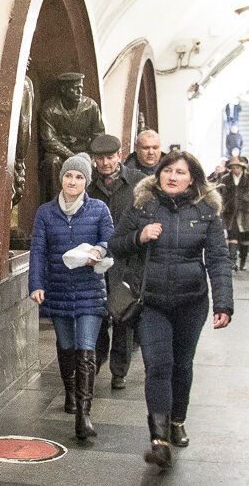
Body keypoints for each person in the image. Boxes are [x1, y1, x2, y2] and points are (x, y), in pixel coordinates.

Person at [108, 151, 233, 469]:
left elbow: (218, 259)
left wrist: (223, 303)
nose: (173, 176)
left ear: (192, 178)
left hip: (191, 302)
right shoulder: (142, 204)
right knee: (159, 367)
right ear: (159, 174)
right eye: (168, 170)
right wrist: (140, 236)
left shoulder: (207, 210)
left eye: (180, 172)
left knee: (182, 366)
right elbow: (116, 244)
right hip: (151, 302)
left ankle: (178, 420)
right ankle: (159, 440)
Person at [28, 153, 114, 440]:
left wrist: (99, 251)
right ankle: (70, 391)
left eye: (79, 177)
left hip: (90, 288)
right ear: (61, 178)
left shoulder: (99, 209)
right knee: (66, 346)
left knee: (86, 347)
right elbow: (38, 251)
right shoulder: (45, 212)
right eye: (68, 176)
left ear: (86, 181)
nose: (73, 181)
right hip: (59, 288)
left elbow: (110, 241)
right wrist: (36, 285)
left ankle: (84, 414)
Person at [88, 134, 145, 390]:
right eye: (100, 158)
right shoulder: (88, 185)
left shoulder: (138, 182)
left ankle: (119, 370)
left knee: (123, 315)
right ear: (93, 160)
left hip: (127, 259)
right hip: (97, 261)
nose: (106, 163)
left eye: (110, 157)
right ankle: (99, 358)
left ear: (119, 156)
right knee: (100, 313)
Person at [38, 73, 105, 194]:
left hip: (84, 152)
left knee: (94, 165)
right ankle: (57, 202)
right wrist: (72, 157)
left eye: (81, 87)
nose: (79, 91)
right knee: (52, 162)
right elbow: (49, 140)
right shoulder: (50, 109)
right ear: (63, 90)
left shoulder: (91, 106)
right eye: (75, 88)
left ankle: (87, 203)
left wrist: (90, 156)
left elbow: (99, 135)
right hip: (60, 154)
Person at [219, 156, 249, 271]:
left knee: (245, 238)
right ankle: (232, 261)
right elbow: (220, 195)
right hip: (231, 212)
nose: (236, 170)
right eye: (233, 167)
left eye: (238, 167)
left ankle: (243, 260)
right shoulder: (225, 179)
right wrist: (220, 210)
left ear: (243, 168)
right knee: (232, 236)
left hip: (248, 212)